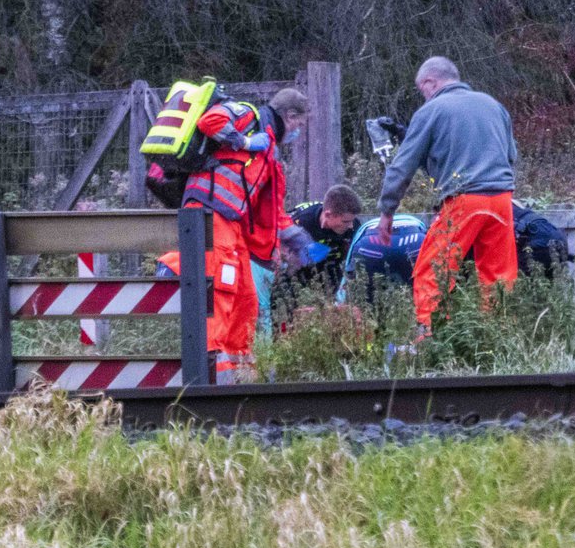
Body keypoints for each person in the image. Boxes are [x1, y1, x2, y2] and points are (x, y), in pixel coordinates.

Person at [163, 86, 309, 383]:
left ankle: (238, 378)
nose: (297, 133)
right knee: (220, 294)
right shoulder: (250, 116)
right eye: (299, 125)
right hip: (209, 214)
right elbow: (211, 121)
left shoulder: (268, 149)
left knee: (246, 300)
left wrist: (296, 239)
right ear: (290, 116)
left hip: (232, 224)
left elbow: (271, 211)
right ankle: (206, 379)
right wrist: (243, 141)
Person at [376, 56, 518, 333]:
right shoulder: (493, 105)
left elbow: (402, 166)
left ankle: (431, 340)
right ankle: (499, 339)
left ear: (430, 82)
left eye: (422, 90)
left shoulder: (431, 111)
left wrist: (386, 210)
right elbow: (511, 155)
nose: (424, 96)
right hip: (502, 199)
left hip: (464, 200)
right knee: (498, 276)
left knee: (433, 271)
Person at [276, 185, 364, 306]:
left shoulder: (353, 226)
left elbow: (354, 262)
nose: (350, 226)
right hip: (297, 275)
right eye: (346, 221)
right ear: (328, 215)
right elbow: (281, 261)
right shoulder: (301, 223)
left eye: (352, 221)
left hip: (332, 274)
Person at [338, 211, 428, 305]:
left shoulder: (361, 227)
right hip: (415, 239)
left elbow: (349, 266)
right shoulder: (418, 223)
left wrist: (340, 299)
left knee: (366, 293)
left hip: (371, 241)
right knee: (421, 289)